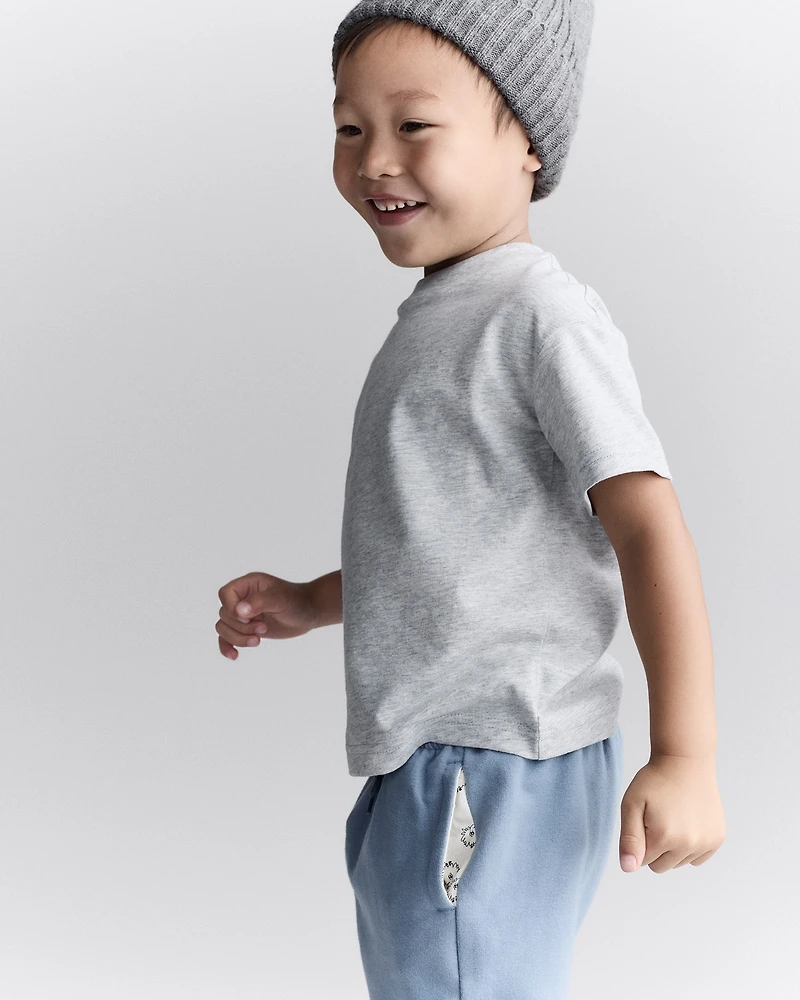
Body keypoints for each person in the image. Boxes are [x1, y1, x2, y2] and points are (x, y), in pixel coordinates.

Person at [215, 2, 726, 997]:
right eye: (349, 127)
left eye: (413, 124)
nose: (374, 160)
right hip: (435, 754)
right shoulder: (445, 315)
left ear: (526, 141)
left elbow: (647, 525)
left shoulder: (536, 314)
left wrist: (686, 752)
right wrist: (311, 601)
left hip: (489, 754)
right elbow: (453, 546)